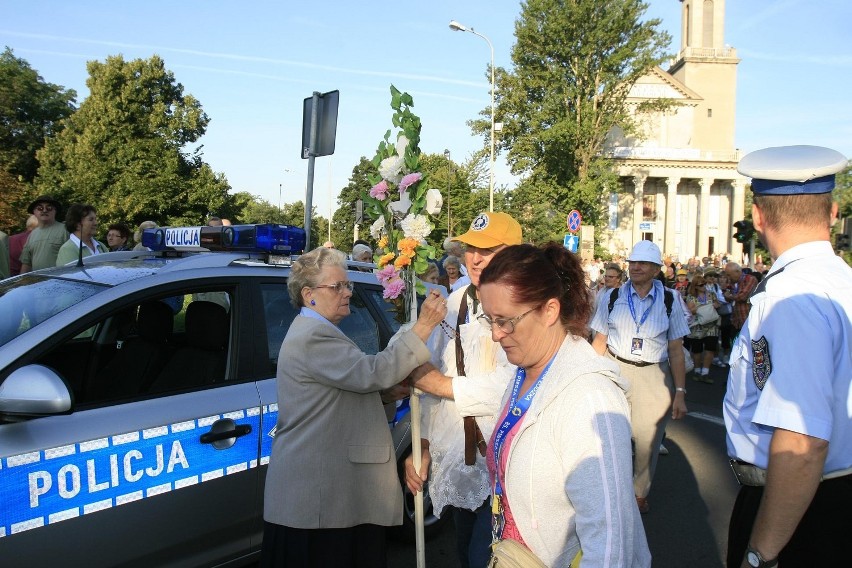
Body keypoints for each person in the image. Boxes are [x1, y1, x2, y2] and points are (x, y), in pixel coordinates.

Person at [410, 243, 651, 567]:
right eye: (491, 320)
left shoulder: (590, 397)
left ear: (549, 311)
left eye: (506, 321)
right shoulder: (525, 372)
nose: (496, 335)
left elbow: (610, 545)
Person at [261, 246, 447, 568]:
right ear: (309, 295)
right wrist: (423, 327)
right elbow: (374, 373)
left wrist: (385, 397)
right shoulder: (312, 337)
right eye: (338, 286)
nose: (348, 292)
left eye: (347, 285)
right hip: (318, 501)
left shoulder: (319, 331)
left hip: (326, 497)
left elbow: (338, 394)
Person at [724, 145, 852, 568]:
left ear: (758, 217)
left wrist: (761, 554)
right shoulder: (841, 281)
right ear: (833, 213)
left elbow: (803, 440)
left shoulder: (791, 296)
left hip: (801, 507)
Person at [404, 212, 522, 568]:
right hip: (458, 458)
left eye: (487, 249)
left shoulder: (528, 305)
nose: (474, 257)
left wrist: (442, 385)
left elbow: (515, 384)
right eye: (471, 248)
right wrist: (421, 444)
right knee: (463, 553)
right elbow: (429, 380)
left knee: (485, 559)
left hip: (505, 463)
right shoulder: (454, 304)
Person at [590, 240, 690, 514]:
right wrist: (587, 377)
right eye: (632, 262)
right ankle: (612, 489)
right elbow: (599, 340)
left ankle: (638, 493)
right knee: (611, 435)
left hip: (654, 374)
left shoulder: (671, 300)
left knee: (647, 439)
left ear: (657, 269)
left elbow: (676, 350)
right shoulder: (610, 297)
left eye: (643, 263)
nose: (635, 267)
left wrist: (680, 393)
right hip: (614, 368)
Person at [683, 274, 720, 381]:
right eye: (701, 285)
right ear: (695, 286)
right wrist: (705, 309)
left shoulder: (711, 294)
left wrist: (716, 305)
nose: (704, 286)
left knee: (710, 348)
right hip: (696, 327)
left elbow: (718, 304)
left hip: (711, 326)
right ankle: (697, 371)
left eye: (705, 284)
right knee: (697, 351)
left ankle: (705, 372)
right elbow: (691, 310)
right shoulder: (691, 296)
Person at [19, 195, 68, 272]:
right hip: (38, 282)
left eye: (49, 208)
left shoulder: (66, 230)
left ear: (55, 210)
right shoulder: (32, 235)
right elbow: (26, 263)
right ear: (34, 212)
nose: (44, 210)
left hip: (60, 281)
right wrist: (22, 282)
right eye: (40, 208)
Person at [723, 262, 758, 332]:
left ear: (737, 272)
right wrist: (728, 296)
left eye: (729, 275)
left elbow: (742, 297)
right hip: (736, 321)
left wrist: (730, 296)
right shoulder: (732, 282)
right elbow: (727, 297)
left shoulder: (750, 279)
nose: (728, 278)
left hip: (748, 320)